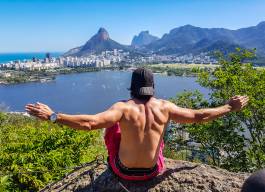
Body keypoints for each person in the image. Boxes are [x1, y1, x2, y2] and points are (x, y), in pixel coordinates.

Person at [25, 68, 249, 183]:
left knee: (113, 125)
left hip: (122, 172)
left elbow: (90, 123)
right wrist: (230, 107)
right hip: (153, 172)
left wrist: (53, 116)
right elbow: (200, 116)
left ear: (132, 87)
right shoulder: (165, 107)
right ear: (153, 87)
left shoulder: (123, 107)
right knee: (159, 128)